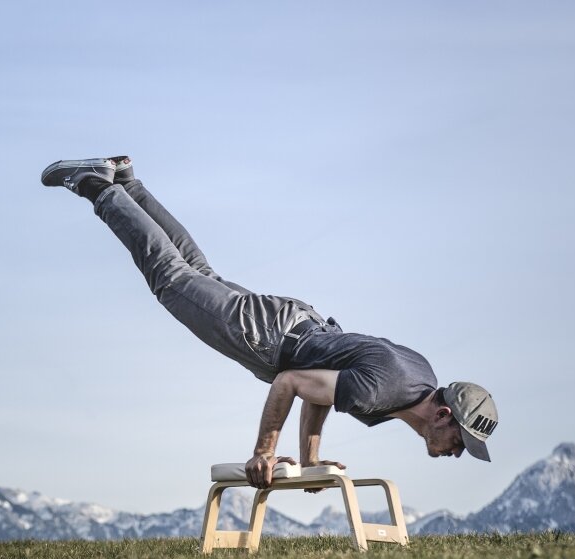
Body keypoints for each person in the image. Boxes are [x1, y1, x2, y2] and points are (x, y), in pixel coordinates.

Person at [42, 156, 499, 488]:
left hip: (295, 323)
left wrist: (310, 460)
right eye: (461, 440)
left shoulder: (418, 377)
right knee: (170, 279)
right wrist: (264, 451)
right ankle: (96, 185)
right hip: (269, 340)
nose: (458, 451)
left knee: (196, 275)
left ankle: (127, 182)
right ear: (443, 414)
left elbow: (322, 386)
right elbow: (290, 382)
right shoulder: (388, 392)